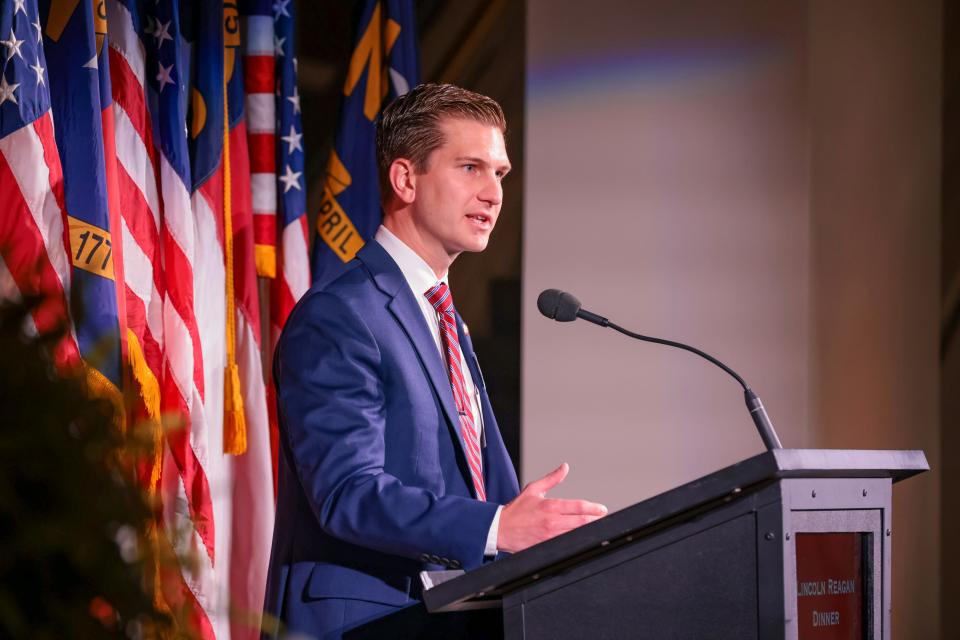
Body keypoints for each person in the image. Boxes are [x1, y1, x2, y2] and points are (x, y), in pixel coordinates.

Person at [263, 83, 607, 639]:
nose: (494, 193)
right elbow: (346, 492)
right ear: (405, 179)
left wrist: (521, 531)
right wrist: (497, 526)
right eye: (471, 167)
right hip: (363, 620)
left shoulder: (443, 318)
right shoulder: (340, 314)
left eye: (500, 173)